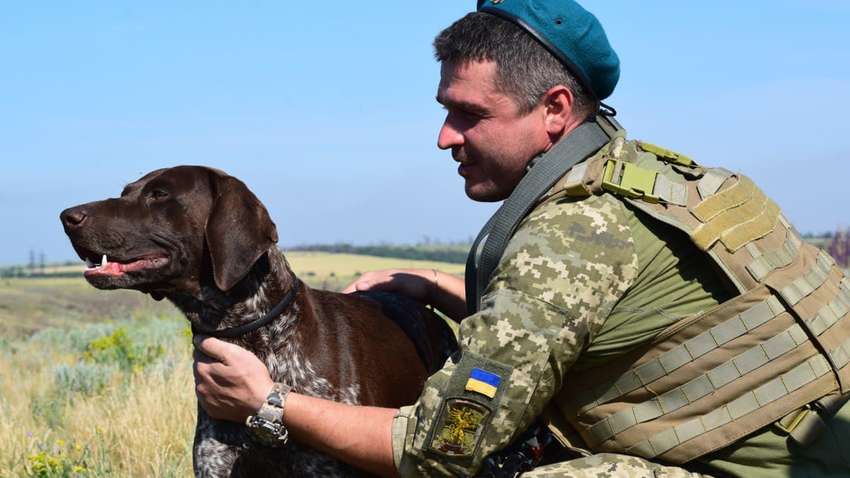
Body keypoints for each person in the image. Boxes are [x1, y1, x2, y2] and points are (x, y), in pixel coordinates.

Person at [193, 1, 850, 477]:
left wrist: (270, 403)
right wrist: (438, 287)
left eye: (469, 114)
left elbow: (442, 445)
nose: (445, 138)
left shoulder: (565, 240)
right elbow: (580, 320)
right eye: (445, 111)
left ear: (554, 109)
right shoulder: (673, 182)